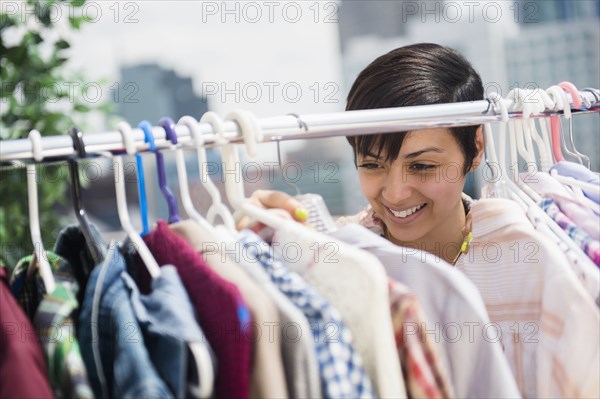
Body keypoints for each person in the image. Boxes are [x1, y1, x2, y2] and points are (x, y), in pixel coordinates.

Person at [244, 43, 484, 265]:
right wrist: (253, 248)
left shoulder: (516, 248)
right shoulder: (331, 256)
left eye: (422, 166)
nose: (395, 194)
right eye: (372, 165)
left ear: (476, 148)